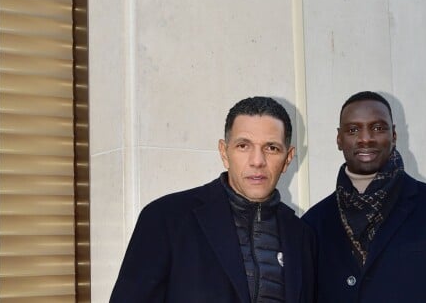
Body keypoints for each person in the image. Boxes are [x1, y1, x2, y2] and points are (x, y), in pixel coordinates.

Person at [110, 96, 316, 302]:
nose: (257, 161)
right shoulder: (166, 218)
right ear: (224, 152)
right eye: (243, 146)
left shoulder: (300, 235)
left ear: (287, 159)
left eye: (271, 148)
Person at [302, 91, 426, 302]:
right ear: (339, 139)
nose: (365, 139)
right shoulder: (313, 224)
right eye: (353, 130)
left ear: (394, 135)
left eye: (378, 128)